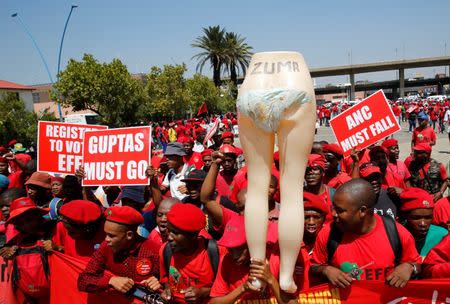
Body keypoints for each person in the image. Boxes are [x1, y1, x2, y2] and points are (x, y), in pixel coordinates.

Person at [311, 179, 421, 288]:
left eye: (340, 210)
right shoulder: (329, 233)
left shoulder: (396, 233)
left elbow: (417, 265)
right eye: (333, 208)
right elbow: (313, 267)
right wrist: (326, 270)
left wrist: (410, 267)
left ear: (362, 211)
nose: (333, 214)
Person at [78, 206, 161, 295]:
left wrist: (159, 284)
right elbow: (83, 281)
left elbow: (170, 285)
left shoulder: (154, 251)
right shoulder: (105, 247)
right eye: (106, 234)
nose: (106, 239)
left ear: (129, 235)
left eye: (111, 236)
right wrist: (110, 281)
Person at [159, 203, 224, 304]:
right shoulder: (165, 251)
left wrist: (203, 292)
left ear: (193, 235)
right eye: (168, 230)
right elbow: (166, 281)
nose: (169, 237)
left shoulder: (216, 252)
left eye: (175, 233)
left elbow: (228, 289)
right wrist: (167, 291)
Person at [399, 188, 448, 259]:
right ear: (405, 216)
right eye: (416, 218)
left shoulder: (442, 236)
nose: (423, 223)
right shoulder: (396, 237)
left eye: (428, 217)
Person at [304, 154, 334, 222]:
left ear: (323, 173)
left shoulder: (334, 195)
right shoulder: (298, 195)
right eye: (307, 170)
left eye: (315, 169)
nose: (310, 173)